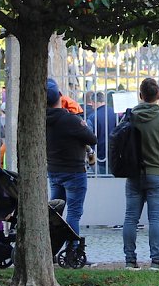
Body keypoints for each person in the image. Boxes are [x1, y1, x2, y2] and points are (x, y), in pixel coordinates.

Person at [122, 78, 159, 270]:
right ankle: (156, 259)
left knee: (131, 218)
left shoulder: (130, 117)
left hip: (134, 174)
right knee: (155, 219)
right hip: (157, 174)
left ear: (140, 95)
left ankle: (130, 260)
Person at [46, 78, 97, 251]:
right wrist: (83, 124)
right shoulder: (70, 120)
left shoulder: (41, 120)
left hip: (54, 171)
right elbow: (92, 139)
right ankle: (72, 251)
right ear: (60, 96)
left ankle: (50, 249)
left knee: (55, 212)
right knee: (74, 214)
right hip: (74, 172)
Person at [86, 91, 117, 175]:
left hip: (99, 157)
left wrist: (90, 160)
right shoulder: (115, 114)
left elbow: (88, 139)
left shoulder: (92, 117)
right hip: (114, 155)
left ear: (93, 102)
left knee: (101, 179)